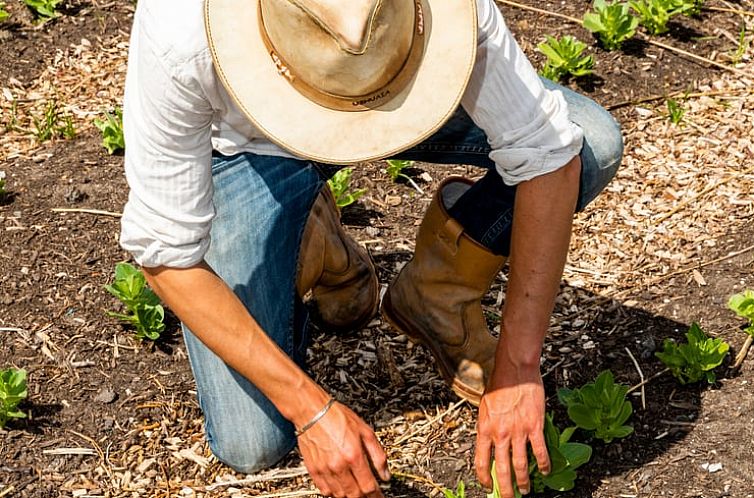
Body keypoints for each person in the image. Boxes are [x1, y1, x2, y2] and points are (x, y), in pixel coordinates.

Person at [119, 0, 623, 496]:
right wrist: (311, 409)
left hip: (402, 92)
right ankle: (308, 233)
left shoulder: (449, 11)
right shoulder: (182, 27)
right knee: (252, 443)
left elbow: (549, 153)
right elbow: (166, 253)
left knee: (588, 143)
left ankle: (435, 295)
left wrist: (518, 369)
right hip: (249, 151)